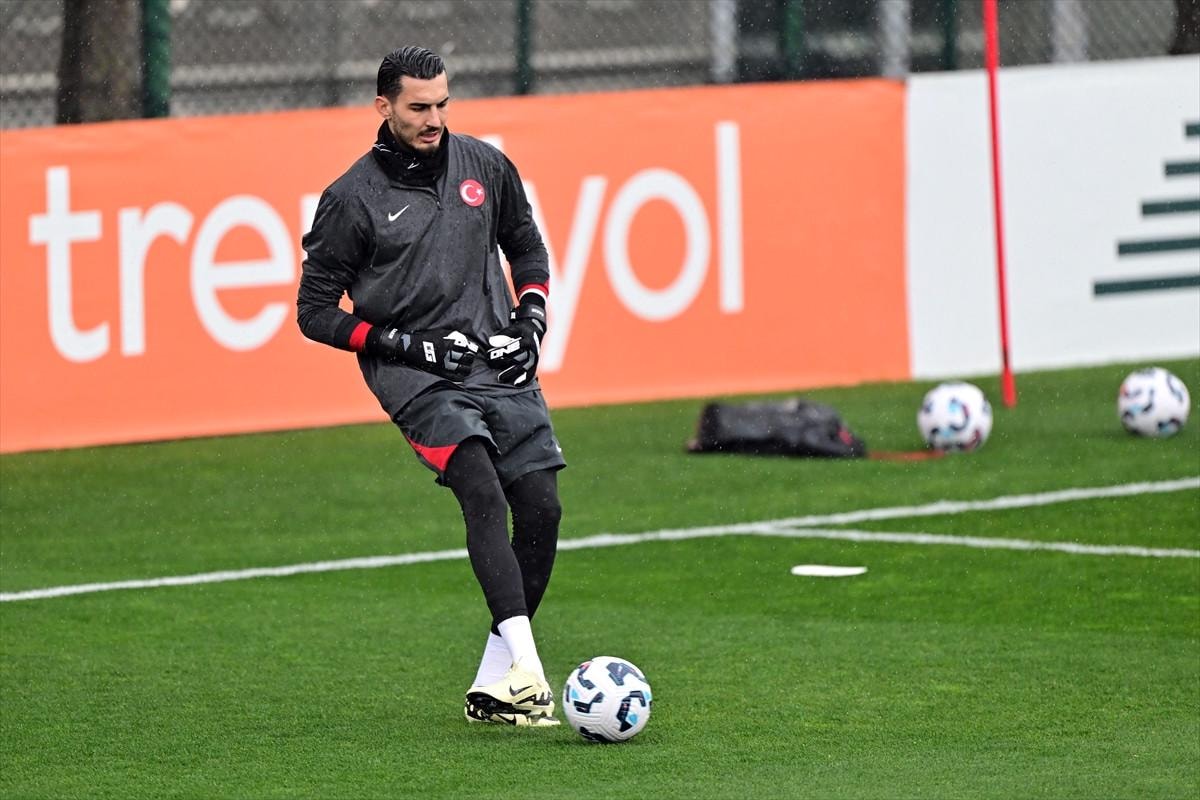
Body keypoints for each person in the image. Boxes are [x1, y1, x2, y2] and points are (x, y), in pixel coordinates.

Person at [296, 46, 565, 727]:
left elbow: (526, 248)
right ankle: (531, 670)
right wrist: (401, 344)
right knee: (481, 489)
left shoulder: (486, 165)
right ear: (383, 106)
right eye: (418, 107)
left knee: (542, 510)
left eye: (442, 104)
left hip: (496, 366)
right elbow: (314, 312)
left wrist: (530, 321)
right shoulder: (350, 199)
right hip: (418, 379)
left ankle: (495, 683)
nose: (434, 119)